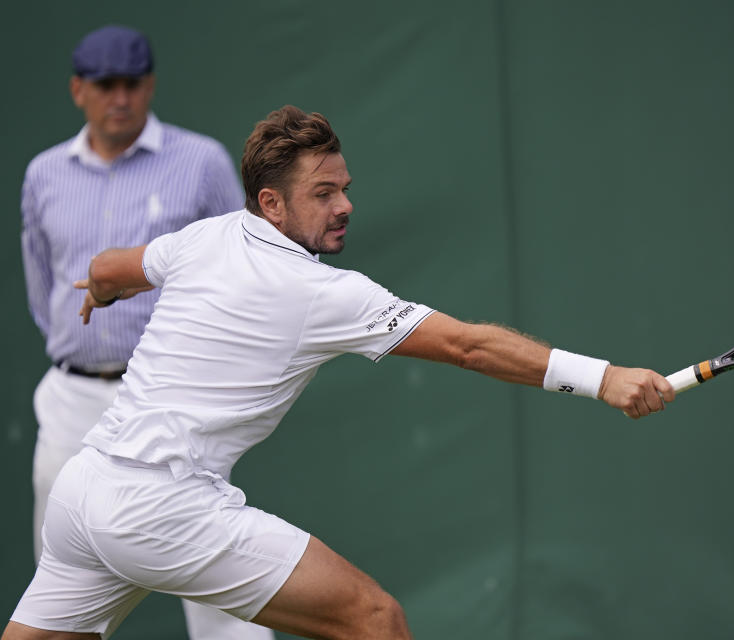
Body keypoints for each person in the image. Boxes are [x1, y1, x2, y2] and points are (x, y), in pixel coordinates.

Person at [5, 105, 675, 640]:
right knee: (375, 621)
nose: (344, 205)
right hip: (162, 507)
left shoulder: (202, 238)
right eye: (322, 194)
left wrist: (100, 290)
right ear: (272, 203)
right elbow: (468, 347)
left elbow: (110, 267)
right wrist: (604, 376)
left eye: (345, 189)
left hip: (84, 494)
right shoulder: (324, 293)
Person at [19, 25, 275, 640]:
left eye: (132, 84)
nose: (121, 98)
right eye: (105, 85)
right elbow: (44, 288)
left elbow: (238, 270)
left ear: (150, 85)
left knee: (207, 551)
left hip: (171, 391)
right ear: (79, 89)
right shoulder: (44, 174)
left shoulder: (201, 161)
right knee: (62, 564)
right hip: (72, 394)